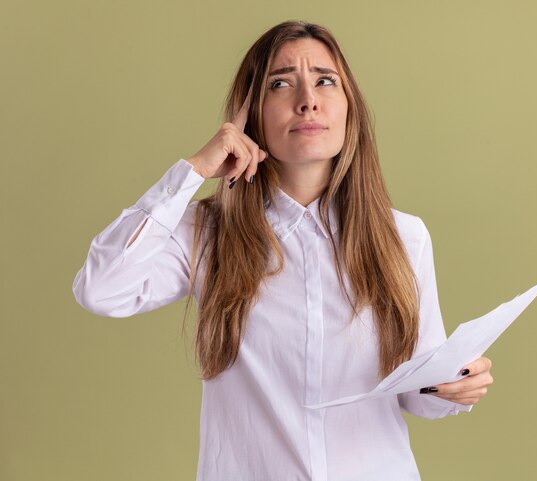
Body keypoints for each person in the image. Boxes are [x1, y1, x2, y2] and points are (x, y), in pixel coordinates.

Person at [73, 20, 494, 481]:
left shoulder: (404, 237)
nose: (307, 99)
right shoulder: (209, 234)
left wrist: (453, 384)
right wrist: (193, 170)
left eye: (324, 80)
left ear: (349, 107)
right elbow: (101, 289)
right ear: (251, 116)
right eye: (281, 83)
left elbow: (417, 395)